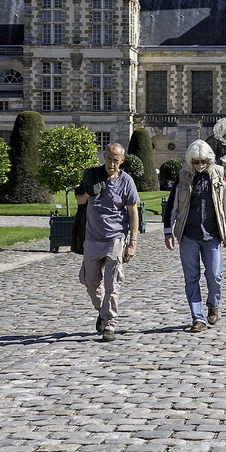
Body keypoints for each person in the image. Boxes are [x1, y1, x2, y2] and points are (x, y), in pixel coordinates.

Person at [163, 140, 226, 332]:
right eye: (195, 162)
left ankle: (213, 304)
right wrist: (168, 231)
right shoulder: (183, 176)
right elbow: (172, 205)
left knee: (215, 275)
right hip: (189, 233)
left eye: (203, 161)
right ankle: (198, 318)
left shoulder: (219, 173)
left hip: (212, 233)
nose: (200, 165)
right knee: (191, 278)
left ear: (209, 159)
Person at [76, 143, 139, 342]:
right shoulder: (92, 175)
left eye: (116, 160)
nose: (112, 163)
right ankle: (103, 312)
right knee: (90, 281)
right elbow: (79, 199)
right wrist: (89, 192)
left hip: (115, 238)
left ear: (122, 161)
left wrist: (132, 242)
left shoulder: (126, 181)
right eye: (109, 158)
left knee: (113, 284)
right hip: (92, 238)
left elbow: (133, 212)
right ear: (104, 156)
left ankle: (109, 324)